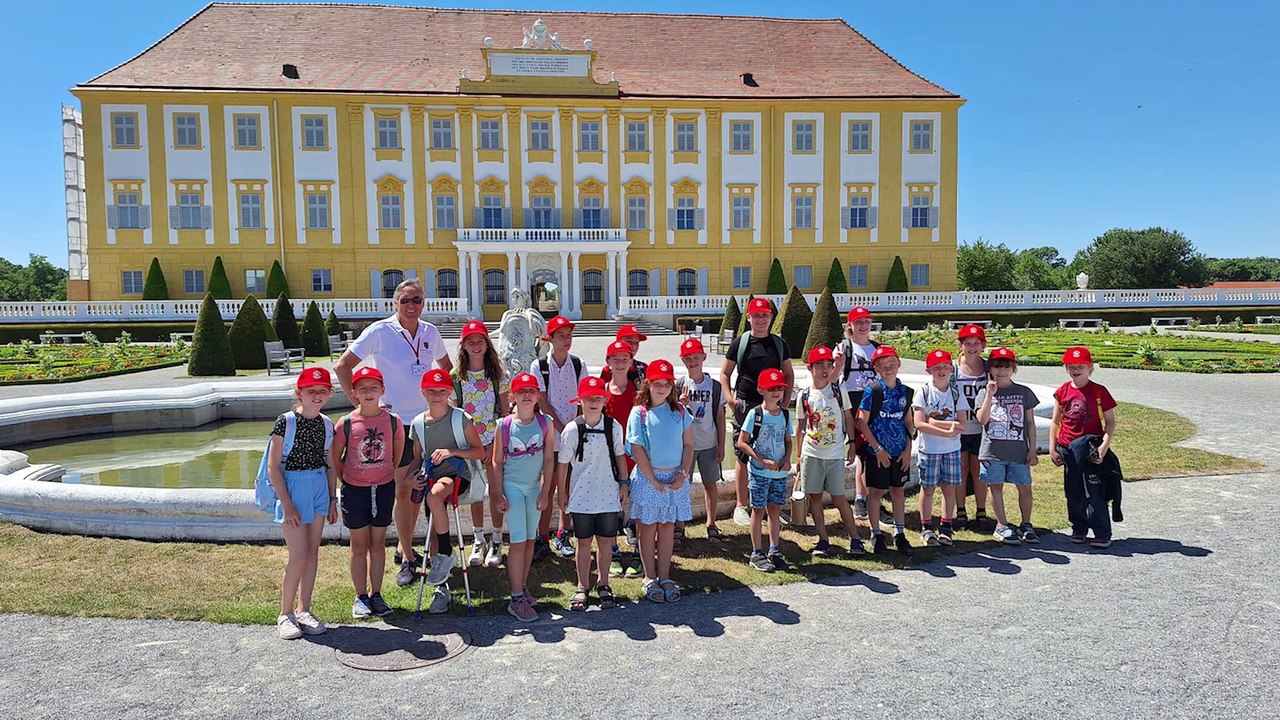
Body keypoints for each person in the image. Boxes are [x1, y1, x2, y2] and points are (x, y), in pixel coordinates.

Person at [334, 279, 452, 588]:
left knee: (418, 490)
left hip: (429, 422)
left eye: (417, 300)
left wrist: (448, 400)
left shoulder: (430, 331)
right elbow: (343, 366)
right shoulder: (379, 332)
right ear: (395, 303)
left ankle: (404, 547)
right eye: (405, 301)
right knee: (402, 490)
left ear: (423, 303)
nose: (411, 306)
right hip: (395, 424)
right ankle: (408, 559)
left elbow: (447, 368)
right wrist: (360, 405)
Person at [266, 367, 337, 640]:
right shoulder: (285, 421)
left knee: (312, 554)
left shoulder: (326, 424)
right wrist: (288, 504)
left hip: (318, 485)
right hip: (293, 488)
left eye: (322, 391)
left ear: (329, 393)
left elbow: (330, 464)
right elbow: (274, 467)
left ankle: (304, 609)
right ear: (300, 393)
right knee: (297, 556)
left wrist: (332, 499)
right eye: (311, 391)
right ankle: (285, 613)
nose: (317, 396)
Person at [407, 368, 487, 596]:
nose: (436, 395)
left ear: (449, 391)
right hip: (431, 477)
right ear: (423, 393)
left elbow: (478, 451)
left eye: (441, 391)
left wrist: (451, 451)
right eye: (431, 391)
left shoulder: (461, 418)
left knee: (434, 496)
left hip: (458, 475)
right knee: (433, 509)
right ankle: (440, 586)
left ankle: (445, 552)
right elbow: (417, 458)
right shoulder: (418, 423)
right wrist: (411, 477)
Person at [331, 366, 402, 618]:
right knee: (359, 545)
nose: (368, 392)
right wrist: (347, 479)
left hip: (382, 488)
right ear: (354, 392)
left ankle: (377, 594)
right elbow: (335, 456)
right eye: (362, 388)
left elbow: (396, 452)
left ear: (382, 390)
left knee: (378, 543)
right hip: (355, 490)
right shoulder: (347, 423)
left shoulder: (393, 421)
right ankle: (360, 596)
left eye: (374, 388)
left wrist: (384, 476)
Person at [720, 297, 795, 527]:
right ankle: (743, 505)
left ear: (771, 317)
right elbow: (725, 374)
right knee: (743, 453)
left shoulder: (779, 344)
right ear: (748, 317)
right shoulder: (740, 343)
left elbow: (789, 374)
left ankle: (773, 506)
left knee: (775, 448)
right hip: (746, 404)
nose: (761, 319)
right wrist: (732, 401)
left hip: (773, 405)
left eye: (765, 315)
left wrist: (785, 402)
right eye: (757, 315)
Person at [557, 376, 629, 611]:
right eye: (589, 398)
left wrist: (624, 483)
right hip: (581, 495)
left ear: (604, 400)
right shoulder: (572, 429)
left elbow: (620, 455)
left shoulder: (613, 426)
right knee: (583, 542)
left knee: (606, 541)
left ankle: (604, 583)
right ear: (580, 401)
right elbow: (563, 463)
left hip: (607, 493)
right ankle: (582, 585)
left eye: (598, 398)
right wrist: (562, 492)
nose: (593, 402)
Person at [626, 359, 694, 603]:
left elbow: (688, 445)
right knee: (647, 527)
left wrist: (683, 473)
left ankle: (664, 576)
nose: (662, 388)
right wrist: (652, 478)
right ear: (649, 384)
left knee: (667, 527)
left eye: (667, 384)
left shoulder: (681, 412)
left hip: (674, 477)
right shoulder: (639, 413)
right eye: (657, 384)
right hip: (648, 477)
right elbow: (637, 447)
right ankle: (649, 576)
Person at [491, 373, 555, 622]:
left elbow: (548, 459)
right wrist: (498, 493)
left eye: (531, 391)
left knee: (530, 540)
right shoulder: (504, 425)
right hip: (513, 488)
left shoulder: (544, 422)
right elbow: (497, 462)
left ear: (538, 395)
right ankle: (515, 598)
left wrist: (545, 489)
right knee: (518, 542)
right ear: (512, 396)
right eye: (521, 391)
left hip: (533, 489)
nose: (527, 395)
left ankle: (522, 585)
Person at [795, 346, 865, 557]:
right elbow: (799, 426)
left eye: (829, 365)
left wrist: (852, 443)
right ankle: (823, 540)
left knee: (839, 498)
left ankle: (855, 539)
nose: (825, 369)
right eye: (820, 365)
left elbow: (848, 417)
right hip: (812, 453)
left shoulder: (838, 390)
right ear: (810, 368)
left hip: (834, 454)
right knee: (815, 498)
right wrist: (798, 456)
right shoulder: (804, 394)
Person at [451, 320, 510, 570]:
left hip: (493, 444)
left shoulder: (498, 373)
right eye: (470, 341)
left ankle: (496, 540)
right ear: (463, 345)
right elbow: (455, 415)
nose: (476, 346)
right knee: (475, 493)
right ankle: (478, 540)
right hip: (468, 444)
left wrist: (494, 446)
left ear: (487, 343)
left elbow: (505, 414)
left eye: (480, 341)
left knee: (496, 492)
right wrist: (473, 447)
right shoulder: (456, 376)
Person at [531, 315, 589, 560]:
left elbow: (584, 398)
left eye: (569, 335)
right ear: (550, 339)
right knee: (548, 486)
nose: (566, 340)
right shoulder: (540, 365)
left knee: (567, 486)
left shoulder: (578, 364)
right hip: (551, 435)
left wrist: (574, 426)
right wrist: (560, 425)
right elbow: (542, 400)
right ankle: (541, 535)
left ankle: (563, 532)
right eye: (561, 336)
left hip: (572, 433)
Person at [1050, 346, 1118, 549]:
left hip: (1090, 449)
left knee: (1095, 492)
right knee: (1073, 491)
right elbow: (1055, 421)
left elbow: (1110, 422)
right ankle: (1079, 528)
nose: (1076, 370)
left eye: (1081, 366)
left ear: (1090, 368)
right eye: (1071, 366)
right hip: (1068, 448)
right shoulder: (1062, 390)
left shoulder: (1099, 391)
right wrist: (1053, 448)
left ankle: (1102, 532)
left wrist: (1103, 448)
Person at [973, 347, 1040, 545]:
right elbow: (982, 419)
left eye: (1007, 367)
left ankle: (1026, 524)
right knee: (996, 488)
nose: (1002, 371)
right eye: (997, 367)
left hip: (1019, 450)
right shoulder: (984, 392)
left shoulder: (1023, 392)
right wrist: (989, 396)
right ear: (990, 369)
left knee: (1025, 488)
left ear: (1014, 369)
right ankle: (1001, 525)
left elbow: (1029, 423)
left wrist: (1032, 449)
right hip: (992, 452)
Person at [856, 346, 916, 556]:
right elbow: (861, 422)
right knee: (875, 492)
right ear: (876, 368)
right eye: (883, 365)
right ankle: (876, 534)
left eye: (892, 364)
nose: (888, 368)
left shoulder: (906, 392)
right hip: (877, 452)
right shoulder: (873, 391)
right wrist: (877, 448)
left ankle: (900, 533)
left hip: (900, 451)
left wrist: (908, 449)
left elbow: (909, 421)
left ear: (899, 364)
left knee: (898, 492)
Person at [737, 368, 793, 572]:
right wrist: (761, 459)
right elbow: (742, 442)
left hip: (778, 473)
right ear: (761, 390)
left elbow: (788, 441)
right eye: (771, 389)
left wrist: (787, 459)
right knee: (758, 511)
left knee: (775, 511)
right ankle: (756, 552)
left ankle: (774, 549)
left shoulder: (785, 415)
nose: (776, 392)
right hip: (760, 473)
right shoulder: (755, 414)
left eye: (779, 388)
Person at [912, 349, 967, 546]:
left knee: (949, 488)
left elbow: (962, 424)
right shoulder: (924, 391)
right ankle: (926, 526)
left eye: (945, 366)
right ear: (929, 370)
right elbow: (919, 423)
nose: (942, 371)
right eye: (937, 368)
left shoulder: (955, 392)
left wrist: (934, 423)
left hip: (951, 449)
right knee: (927, 489)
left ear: (951, 369)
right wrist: (946, 429)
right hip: (930, 449)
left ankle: (946, 525)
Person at [675, 337, 727, 544]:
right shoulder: (679, 385)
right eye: (688, 358)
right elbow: (673, 416)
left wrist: (722, 445)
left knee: (710, 484)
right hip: (685, 446)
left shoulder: (714, 386)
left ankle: (711, 523)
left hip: (708, 443)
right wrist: (680, 403)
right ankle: (680, 525)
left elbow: (721, 417)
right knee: (681, 486)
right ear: (683, 360)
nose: (692, 361)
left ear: (703, 357)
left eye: (696, 357)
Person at [831, 306, 879, 519]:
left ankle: (871, 497)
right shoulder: (844, 347)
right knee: (862, 452)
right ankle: (862, 498)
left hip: (876, 402)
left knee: (872, 451)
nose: (862, 325)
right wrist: (837, 363)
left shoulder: (877, 348)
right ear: (849, 325)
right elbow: (832, 378)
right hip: (855, 402)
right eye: (858, 321)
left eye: (866, 321)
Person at [603, 340, 642, 579]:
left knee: (636, 507)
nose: (619, 364)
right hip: (607, 460)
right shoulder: (601, 392)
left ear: (631, 363)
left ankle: (638, 553)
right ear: (608, 362)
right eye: (615, 359)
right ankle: (614, 552)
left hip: (634, 459)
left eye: (624, 359)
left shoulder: (638, 393)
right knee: (611, 507)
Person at [952, 324, 990, 530]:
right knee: (961, 469)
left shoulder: (988, 368)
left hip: (980, 427)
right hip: (959, 427)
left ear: (983, 345)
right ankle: (960, 510)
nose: (972, 347)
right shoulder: (953, 368)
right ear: (961, 345)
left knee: (978, 469)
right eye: (967, 343)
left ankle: (981, 510)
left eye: (976, 343)